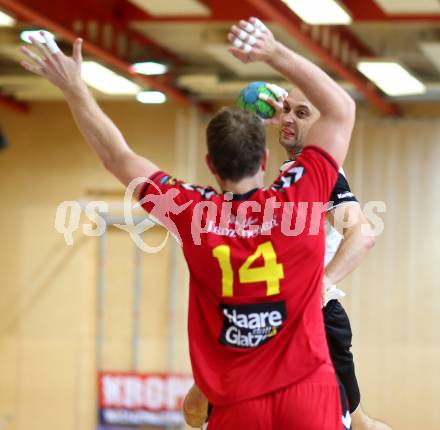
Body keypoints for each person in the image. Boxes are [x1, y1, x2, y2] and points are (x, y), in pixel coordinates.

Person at [21, 17, 355, 429]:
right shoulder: (300, 192)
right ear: (266, 161)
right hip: (307, 390)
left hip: (236, 401)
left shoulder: (191, 211)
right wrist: (272, 52)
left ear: (211, 165)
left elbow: (117, 157)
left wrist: (75, 89)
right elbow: (341, 109)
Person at [183, 87, 392, 430]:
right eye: (286, 110)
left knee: (358, 424)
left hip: (312, 323)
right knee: (195, 410)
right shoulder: (289, 172)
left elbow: (362, 234)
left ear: (322, 123)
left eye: (302, 113)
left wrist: (320, 284)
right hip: (265, 317)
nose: (288, 118)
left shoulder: (321, 174)